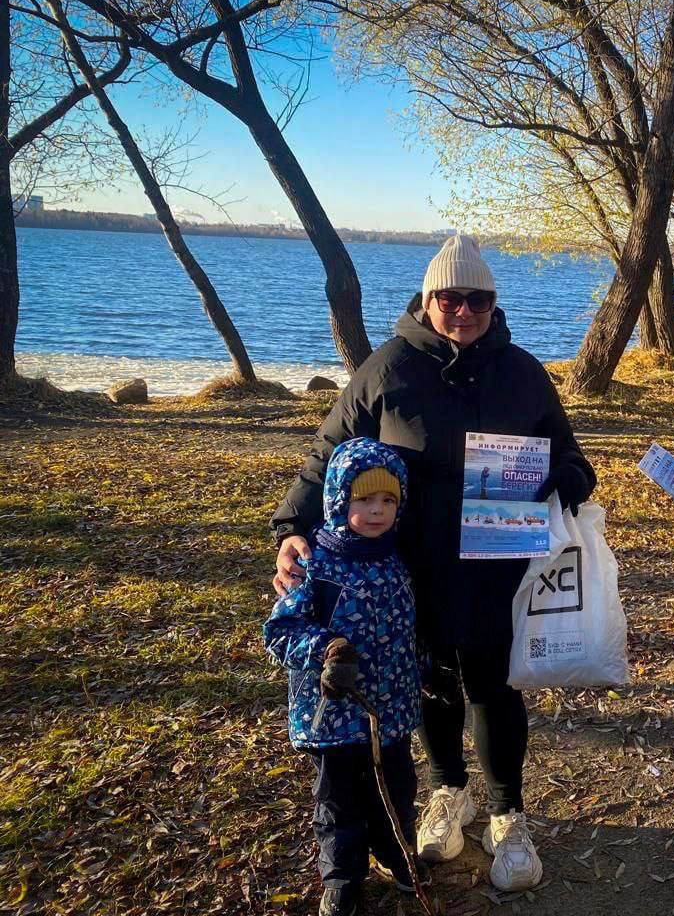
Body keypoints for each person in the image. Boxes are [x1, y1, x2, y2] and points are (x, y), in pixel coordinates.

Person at [271, 234, 596, 892]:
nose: (465, 310)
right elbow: (328, 451)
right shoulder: (388, 368)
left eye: (479, 299)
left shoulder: (523, 372)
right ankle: (449, 792)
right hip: (407, 566)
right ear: (427, 300)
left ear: (494, 303)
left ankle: (508, 814)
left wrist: (561, 479)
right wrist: (292, 526)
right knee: (430, 683)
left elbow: (572, 456)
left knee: (494, 686)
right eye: (451, 298)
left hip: (497, 564)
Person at [264, 438, 420, 916]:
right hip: (331, 712)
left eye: (388, 500)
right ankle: (342, 878)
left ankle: (398, 856)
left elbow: (409, 629)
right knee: (338, 801)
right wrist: (326, 648)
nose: (376, 511)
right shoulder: (316, 563)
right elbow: (281, 631)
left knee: (396, 788)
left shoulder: (398, 559)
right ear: (336, 498)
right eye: (363, 499)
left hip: (390, 711)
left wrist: (427, 667)